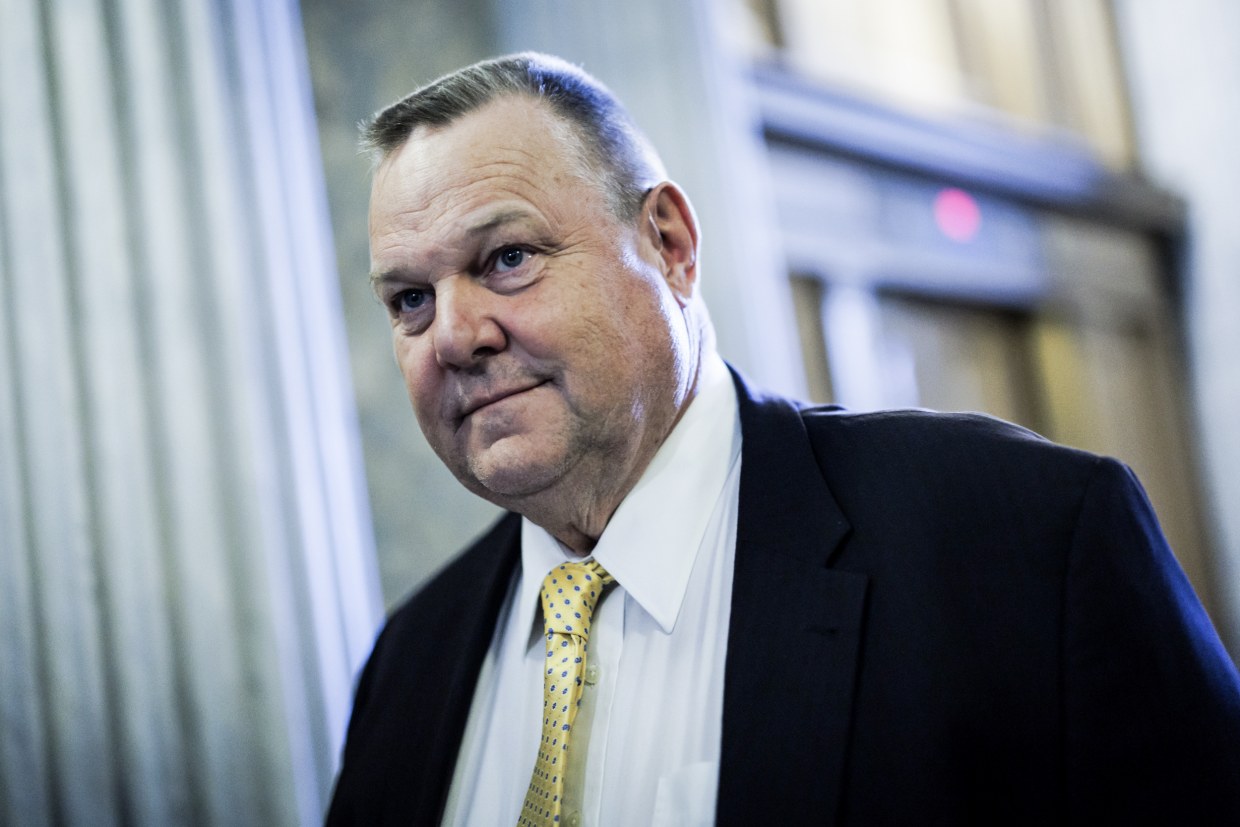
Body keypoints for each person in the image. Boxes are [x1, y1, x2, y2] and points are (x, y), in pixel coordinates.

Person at [326, 52, 1240, 826]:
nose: (453, 335)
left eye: (507, 259)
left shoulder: (1026, 542)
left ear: (671, 244)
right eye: (410, 299)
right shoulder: (409, 663)